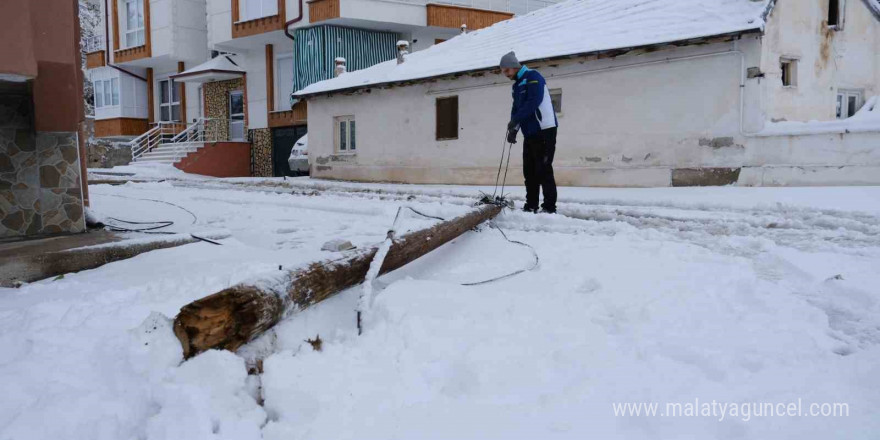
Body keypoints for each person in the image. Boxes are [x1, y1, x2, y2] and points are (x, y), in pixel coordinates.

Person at [500, 51, 558, 214]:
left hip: (545, 130)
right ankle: (531, 204)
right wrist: (514, 129)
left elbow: (534, 101)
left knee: (543, 169)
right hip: (530, 132)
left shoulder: (534, 77)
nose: (505, 74)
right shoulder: (516, 86)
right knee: (529, 171)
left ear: (513, 67)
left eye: (506, 71)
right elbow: (517, 108)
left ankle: (549, 207)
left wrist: (516, 118)